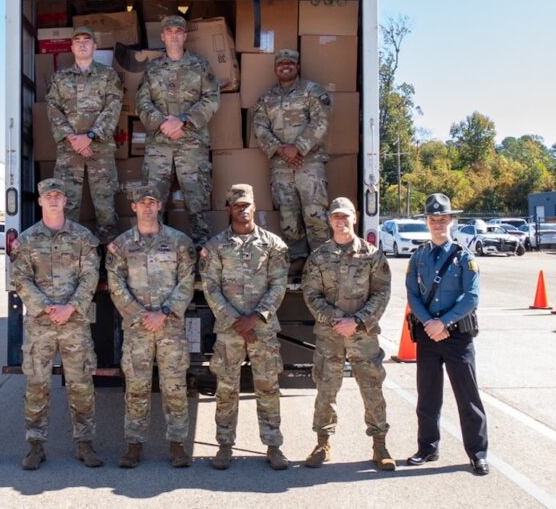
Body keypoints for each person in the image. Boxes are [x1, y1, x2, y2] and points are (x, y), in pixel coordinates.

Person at [10, 178, 103, 470]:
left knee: (81, 384)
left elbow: (91, 277)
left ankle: (84, 443)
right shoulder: (26, 240)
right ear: (40, 201)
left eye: (58, 197)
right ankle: (35, 445)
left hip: (74, 322)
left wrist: (71, 307)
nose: (53, 201)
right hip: (40, 324)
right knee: (37, 384)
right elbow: (20, 277)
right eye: (48, 197)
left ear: (65, 202)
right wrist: (46, 307)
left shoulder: (83, 238)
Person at [200, 184, 290, 470]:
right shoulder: (215, 247)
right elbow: (210, 287)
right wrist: (234, 320)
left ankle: (273, 445)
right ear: (229, 208)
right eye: (237, 205)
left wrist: (256, 317)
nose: (242, 209)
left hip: (262, 328)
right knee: (226, 388)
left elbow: (278, 284)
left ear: (255, 206)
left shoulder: (274, 245)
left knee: (268, 387)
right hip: (229, 330)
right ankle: (225, 445)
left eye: (247, 204)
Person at [301, 197, 395, 471]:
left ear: (355, 218)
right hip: (330, 335)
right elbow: (311, 294)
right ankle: (322, 443)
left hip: (362, 336)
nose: (340, 221)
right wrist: (336, 319)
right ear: (329, 220)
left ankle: (380, 445)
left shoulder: (371, 255)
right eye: (335, 217)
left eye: (345, 216)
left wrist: (357, 320)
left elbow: (381, 292)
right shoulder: (318, 257)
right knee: (326, 390)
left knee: (372, 389)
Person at [106, 185, 196, 468]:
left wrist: (165, 312)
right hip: (137, 327)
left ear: (159, 206)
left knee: (175, 387)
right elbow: (115, 284)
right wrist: (141, 314)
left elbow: (187, 281)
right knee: (136, 386)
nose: (147, 207)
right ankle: (134, 444)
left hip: (170, 327)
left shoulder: (180, 242)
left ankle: (178, 445)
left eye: (152, 202)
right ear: (133, 207)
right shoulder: (120, 245)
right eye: (141, 203)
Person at [405, 193, 489, 476]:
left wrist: (444, 323)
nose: (438, 224)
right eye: (432, 219)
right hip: (428, 335)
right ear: (426, 222)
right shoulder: (418, 256)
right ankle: (427, 447)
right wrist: (429, 322)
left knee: (468, 397)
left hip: (457, 337)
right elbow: (412, 294)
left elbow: (471, 297)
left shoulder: (465, 257)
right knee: (427, 395)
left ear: (451, 221)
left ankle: (477, 453)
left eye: (442, 219)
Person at [136, 15, 220, 247]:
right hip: (159, 146)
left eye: (178, 31)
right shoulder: (152, 69)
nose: (174, 35)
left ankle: (201, 255)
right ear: (162, 36)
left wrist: (183, 120)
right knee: (152, 201)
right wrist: (163, 122)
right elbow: (141, 102)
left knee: (197, 203)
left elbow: (212, 99)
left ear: (184, 36)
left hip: (191, 143)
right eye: (169, 31)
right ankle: (153, 252)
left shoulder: (200, 66)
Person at [252, 48, 331, 277]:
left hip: (309, 164)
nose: (285, 66)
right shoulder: (266, 99)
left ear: (297, 67)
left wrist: (298, 147)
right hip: (280, 166)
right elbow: (259, 127)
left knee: (315, 213)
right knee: (288, 217)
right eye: (281, 63)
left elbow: (321, 120)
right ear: (275, 68)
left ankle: (321, 264)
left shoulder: (311, 91)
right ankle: (297, 260)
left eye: (290, 63)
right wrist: (280, 149)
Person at [46, 26, 123, 243]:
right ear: (71, 47)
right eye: (77, 40)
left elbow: (113, 107)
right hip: (69, 152)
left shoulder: (108, 76)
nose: (82, 43)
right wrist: (73, 138)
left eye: (86, 40)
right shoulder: (60, 78)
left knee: (106, 208)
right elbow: (53, 109)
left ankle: (108, 265)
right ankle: (71, 260)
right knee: (66, 207)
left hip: (100, 150)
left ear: (95, 46)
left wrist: (90, 136)